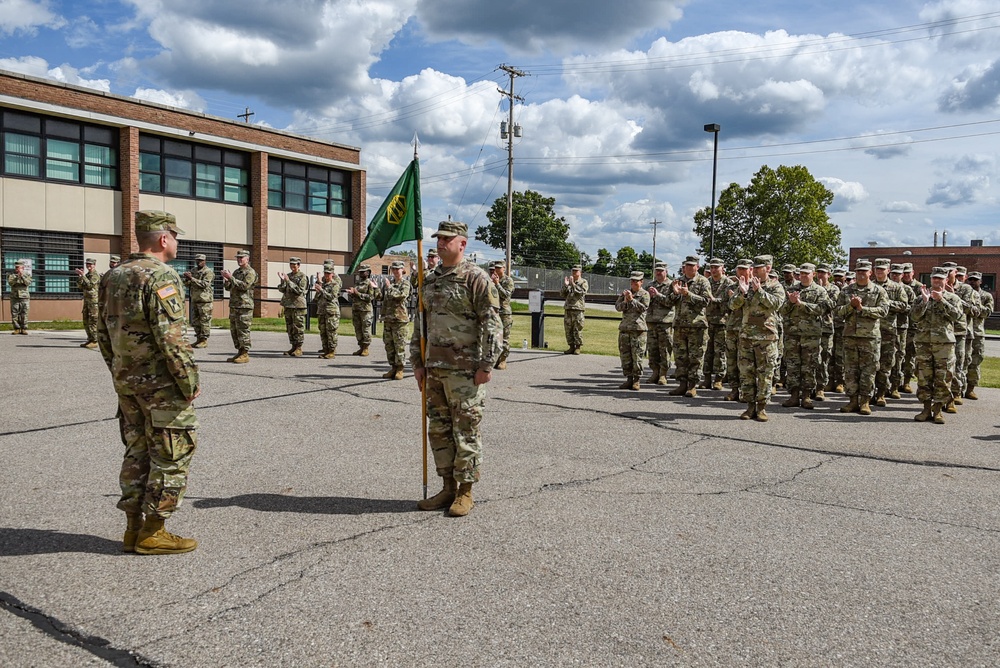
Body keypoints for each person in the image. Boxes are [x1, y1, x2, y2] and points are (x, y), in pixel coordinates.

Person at [96, 210, 200, 555]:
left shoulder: (112, 276)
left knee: (137, 450)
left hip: (127, 383)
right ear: (164, 238)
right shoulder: (161, 277)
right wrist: (189, 382)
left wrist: (119, 371)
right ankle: (154, 532)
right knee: (172, 453)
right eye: (176, 236)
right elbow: (171, 339)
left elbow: (101, 333)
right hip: (160, 386)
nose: (178, 242)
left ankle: (132, 529)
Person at [412, 220, 501, 518]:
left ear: (462, 244)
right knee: (438, 429)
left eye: (447, 239)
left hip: (465, 371)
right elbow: (420, 325)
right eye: (438, 238)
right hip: (434, 369)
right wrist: (417, 362)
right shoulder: (430, 279)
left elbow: (492, 324)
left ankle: (465, 491)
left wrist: (487, 364)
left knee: (465, 430)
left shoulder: (476, 278)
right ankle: (447, 486)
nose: (440, 243)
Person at [731, 255, 785, 421]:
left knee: (765, 374)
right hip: (746, 336)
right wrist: (742, 292)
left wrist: (759, 291)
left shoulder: (775, 286)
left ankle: (761, 407)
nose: (753, 269)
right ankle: (749, 406)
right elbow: (732, 305)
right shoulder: (744, 284)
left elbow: (776, 304)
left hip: (766, 338)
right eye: (753, 266)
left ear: (768, 268)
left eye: (758, 267)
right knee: (746, 373)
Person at [909, 267, 963, 424]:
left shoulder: (953, 298)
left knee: (943, 377)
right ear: (931, 280)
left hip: (944, 345)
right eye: (934, 278)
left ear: (946, 280)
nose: (937, 281)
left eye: (940, 279)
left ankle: (938, 409)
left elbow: (957, 316)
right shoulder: (921, 298)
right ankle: (926, 409)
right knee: (924, 378)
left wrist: (941, 300)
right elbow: (914, 317)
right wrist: (925, 302)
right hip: (924, 343)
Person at [835, 259, 889, 415]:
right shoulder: (846, 291)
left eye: (864, 271)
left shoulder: (879, 291)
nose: (861, 274)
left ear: (870, 273)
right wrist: (850, 306)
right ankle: (852, 400)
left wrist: (861, 308)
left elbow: (883, 311)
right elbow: (838, 311)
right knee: (851, 370)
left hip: (870, 337)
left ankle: (865, 401)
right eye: (858, 271)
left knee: (868, 370)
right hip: (850, 336)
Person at [778, 263, 831, 409]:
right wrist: (791, 302)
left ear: (813, 274)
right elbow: (782, 310)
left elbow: (822, 309)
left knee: (809, 366)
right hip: (793, 334)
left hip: (810, 335)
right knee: (793, 365)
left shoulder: (820, 291)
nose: (803, 276)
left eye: (806, 273)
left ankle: (807, 396)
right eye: (801, 273)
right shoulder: (791, 290)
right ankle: (794, 395)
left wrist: (801, 304)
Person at [666, 255, 713, 397]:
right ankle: (682, 384)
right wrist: (675, 293)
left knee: (695, 357)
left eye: (692, 265)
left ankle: (692, 386)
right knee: (681, 357)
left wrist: (688, 294)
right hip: (680, 325)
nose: (688, 267)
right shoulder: (677, 281)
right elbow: (668, 302)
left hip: (696, 326)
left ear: (697, 267)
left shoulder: (703, 281)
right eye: (686, 265)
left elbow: (706, 301)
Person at [870, 258, 910, 406]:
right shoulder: (870, 286)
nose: (879, 272)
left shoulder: (897, 287)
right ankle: (869, 393)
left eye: (882, 269)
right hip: (871, 331)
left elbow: (905, 305)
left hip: (888, 330)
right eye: (877, 269)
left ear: (888, 271)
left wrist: (887, 304)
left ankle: (881, 393)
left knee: (886, 363)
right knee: (871, 363)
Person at [944, 264, 981, 412]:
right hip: (942, 333)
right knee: (942, 367)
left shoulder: (966, 289)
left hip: (959, 333)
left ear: (956, 273)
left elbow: (975, 310)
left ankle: (955, 393)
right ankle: (941, 396)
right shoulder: (937, 287)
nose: (947, 275)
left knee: (959, 364)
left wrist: (954, 296)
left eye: (950, 272)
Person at [723, 258, 752, 401]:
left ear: (750, 270)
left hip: (749, 330)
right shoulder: (732, 287)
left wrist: (743, 294)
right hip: (733, 328)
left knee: (746, 362)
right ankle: (734, 389)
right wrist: (739, 293)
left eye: (744, 269)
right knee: (732, 360)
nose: (741, 272)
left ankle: (747, 392)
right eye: (739, 269)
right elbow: (730, 305)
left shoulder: (756, 286)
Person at [615, 271, 650, 390]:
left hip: (638, 330)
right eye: (632, 281)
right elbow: (617, 307)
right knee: (625, 356)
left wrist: (632, 300)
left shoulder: (645, 294)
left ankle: (636, 380)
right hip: (625, 328)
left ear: (641, 282)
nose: (634, 283)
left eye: (636, 281)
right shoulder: (625, 293)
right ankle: (628, 379)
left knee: (637, 356)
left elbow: (643, 308)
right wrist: (625, 300)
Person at [703, 258, 734, 390]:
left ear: (722, 268)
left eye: (717, 267)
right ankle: (707, 379)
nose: (714, 270)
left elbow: (730, 303)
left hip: (722, 322)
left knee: (720, 352)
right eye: (712, 267)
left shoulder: (729, 284)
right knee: (707, 351)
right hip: (708, 321)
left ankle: (719, 379)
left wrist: (715, 300)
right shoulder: (707, 282)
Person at [221, 249, 256, 363]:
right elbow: (229, 287)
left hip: (244, 306)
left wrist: (231, 278)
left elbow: (244, 286)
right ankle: (240, 351)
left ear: (248, 259)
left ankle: (245, 353)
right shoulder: (236, 272)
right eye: (238, 258)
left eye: (242, 257)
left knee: (243, 329)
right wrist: (227, 280)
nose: (239, 259)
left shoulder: (250, 272)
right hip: (235, 305)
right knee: (234, 330)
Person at [964, 271, 993, 400]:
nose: (972, 282)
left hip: (977, 333)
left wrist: (975, 305)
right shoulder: (963, 294)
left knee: (975, 362)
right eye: (970, 279)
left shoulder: (986, 296)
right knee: (962, 361)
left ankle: (970, 389)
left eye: (975, 280)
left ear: (980, 281)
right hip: (964, 331)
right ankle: (958, 388)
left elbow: (987, 312)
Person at [381, 260, 412, 379]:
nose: (395, 271)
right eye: (393, 269)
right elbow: (385, 300)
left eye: (397, 269)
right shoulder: (391, 283)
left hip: (400, 319)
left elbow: (401, 296)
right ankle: (393, 367)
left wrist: (389, 288)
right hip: (388, 319)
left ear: (402, 270)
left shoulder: (405, 283)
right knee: (389, 345)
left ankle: (400, 368)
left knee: (399, 345)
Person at [645, 263, 674, 385]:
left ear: (666, 272)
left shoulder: (671, 285)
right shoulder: (650, 285)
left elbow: (670, 302)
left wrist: (657, 295)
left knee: (665, 349)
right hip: (652, 322)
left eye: (661, 271)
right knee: (653, 349)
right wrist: (649, 297)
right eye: (656, 271)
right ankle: (655, 372)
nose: (658, 273)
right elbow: (645, 303)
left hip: (665, 322)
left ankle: (663, 374)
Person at [814, 263, 840, 400]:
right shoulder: (811, 288)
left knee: (824, 358)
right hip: (811, 328)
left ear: (829, 275)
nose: (820, 275)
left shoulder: (834, 289)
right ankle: (810, 386)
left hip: (826, 328)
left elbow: (832, 305)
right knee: (811, 358)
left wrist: (822, 290)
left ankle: (820, 387)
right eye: (819, 272)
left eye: (823, 273)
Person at [899, 262, 924, 393]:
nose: (907, 275)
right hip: (899, 326)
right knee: (898, 355)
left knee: (910, 356)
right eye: (905, 272)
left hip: (913, 327)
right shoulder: (898, 286)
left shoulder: (919, 287)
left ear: (913, 272)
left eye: (909, 272)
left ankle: (907, 382)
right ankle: (896, 381)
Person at [277, 257, 308, 357]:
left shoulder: (302, 276)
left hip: (298, 306)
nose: (293, 267)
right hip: (288, 305)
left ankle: (299, 347)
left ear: (299, 265)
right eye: (291, 264)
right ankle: (293, 346)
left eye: (295, 265)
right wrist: (282, 281)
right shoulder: (288, 275)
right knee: (290, 327)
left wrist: (288, 281)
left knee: (298, 327)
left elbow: (299, 290)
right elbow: (282, 289)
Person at [182, 254, 215, 348]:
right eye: (197, 260)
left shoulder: (208, 272)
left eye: (201, 260)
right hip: (195, 299)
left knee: (204, 320)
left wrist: (192, 278)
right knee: (195, 321)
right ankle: (198, 339)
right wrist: (186, 279)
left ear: (205, 261)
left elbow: (205, 284)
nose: (199, 262)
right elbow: (188, 284)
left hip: (205, 300)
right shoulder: (193, 270)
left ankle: (204, 340)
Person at [314, 261, 342, 359]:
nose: (326, 275)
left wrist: (321, 290)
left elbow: (332, 296)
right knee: (323, 331)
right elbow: (316, 298)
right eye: (325, 273)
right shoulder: (323, 284)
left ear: (332, 274)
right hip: (322, 311)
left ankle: (332, 351)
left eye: (328, 273)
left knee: (331, 331)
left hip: (331, 311)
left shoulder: (335, 284)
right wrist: (318, 290)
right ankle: (325, 350)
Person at [490, 261, 515, 370]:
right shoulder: (490, 279)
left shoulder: (508, 280)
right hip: (493, 311)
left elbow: (506, 295)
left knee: (504, 337)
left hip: (504, 313)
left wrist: (497, 284)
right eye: (495, 268)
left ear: (504, 269)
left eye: (499, 268)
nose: (497, 270)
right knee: (494, 337)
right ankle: (495, 358)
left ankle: (503, 359)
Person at [347, 264, 377, 356]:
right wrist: (351, 293)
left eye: (363, 271)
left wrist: (358, 294)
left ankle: (366, 348)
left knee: (365, 329)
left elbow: (371, 297)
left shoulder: (369, 283)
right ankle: (361, 347)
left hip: (365, 310)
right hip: (356, 309)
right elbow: (355, 296)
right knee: (358, 329)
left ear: (367, 273)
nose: (361, 273)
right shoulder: (357, 283)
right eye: (360, 272)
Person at [560, 265, 589, 354]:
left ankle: (578, 347)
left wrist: (572, 284)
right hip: (568, 308)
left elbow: (581, 292)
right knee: (568, 329)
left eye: (576, 271)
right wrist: (566, 285)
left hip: (578, 309)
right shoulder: (569, 282)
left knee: (577, 328)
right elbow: (562, 294)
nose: (574, 273)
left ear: (580, 272)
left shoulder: (583, 282)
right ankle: (571, 346)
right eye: (573, 271)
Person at [75, 258, 101, 348]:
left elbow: (90, 286)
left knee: (93, 321)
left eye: (90, 264)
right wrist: (80, 277)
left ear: (94, 265)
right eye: (87, 264)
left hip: (94, 302)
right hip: (87, 301)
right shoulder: (87, 275)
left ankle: (94, 340)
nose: (89, 266)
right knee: (86, 320)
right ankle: (89, 339)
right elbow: (80, 287)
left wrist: (83, 276)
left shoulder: (95, 275)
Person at [7, 259, 32, 334]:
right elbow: (11, 283)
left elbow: (28, 283)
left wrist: (22, 276)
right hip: (15, 296)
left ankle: (24, 328)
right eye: (16, 267)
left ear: (22, 268)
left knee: (24, 313)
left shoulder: (27, 275)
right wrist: (17, 277)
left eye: (18, 267)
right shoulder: (11, 275)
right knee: (14, 313)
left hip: (24, 297)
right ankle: (16, 328)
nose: (17, 269)